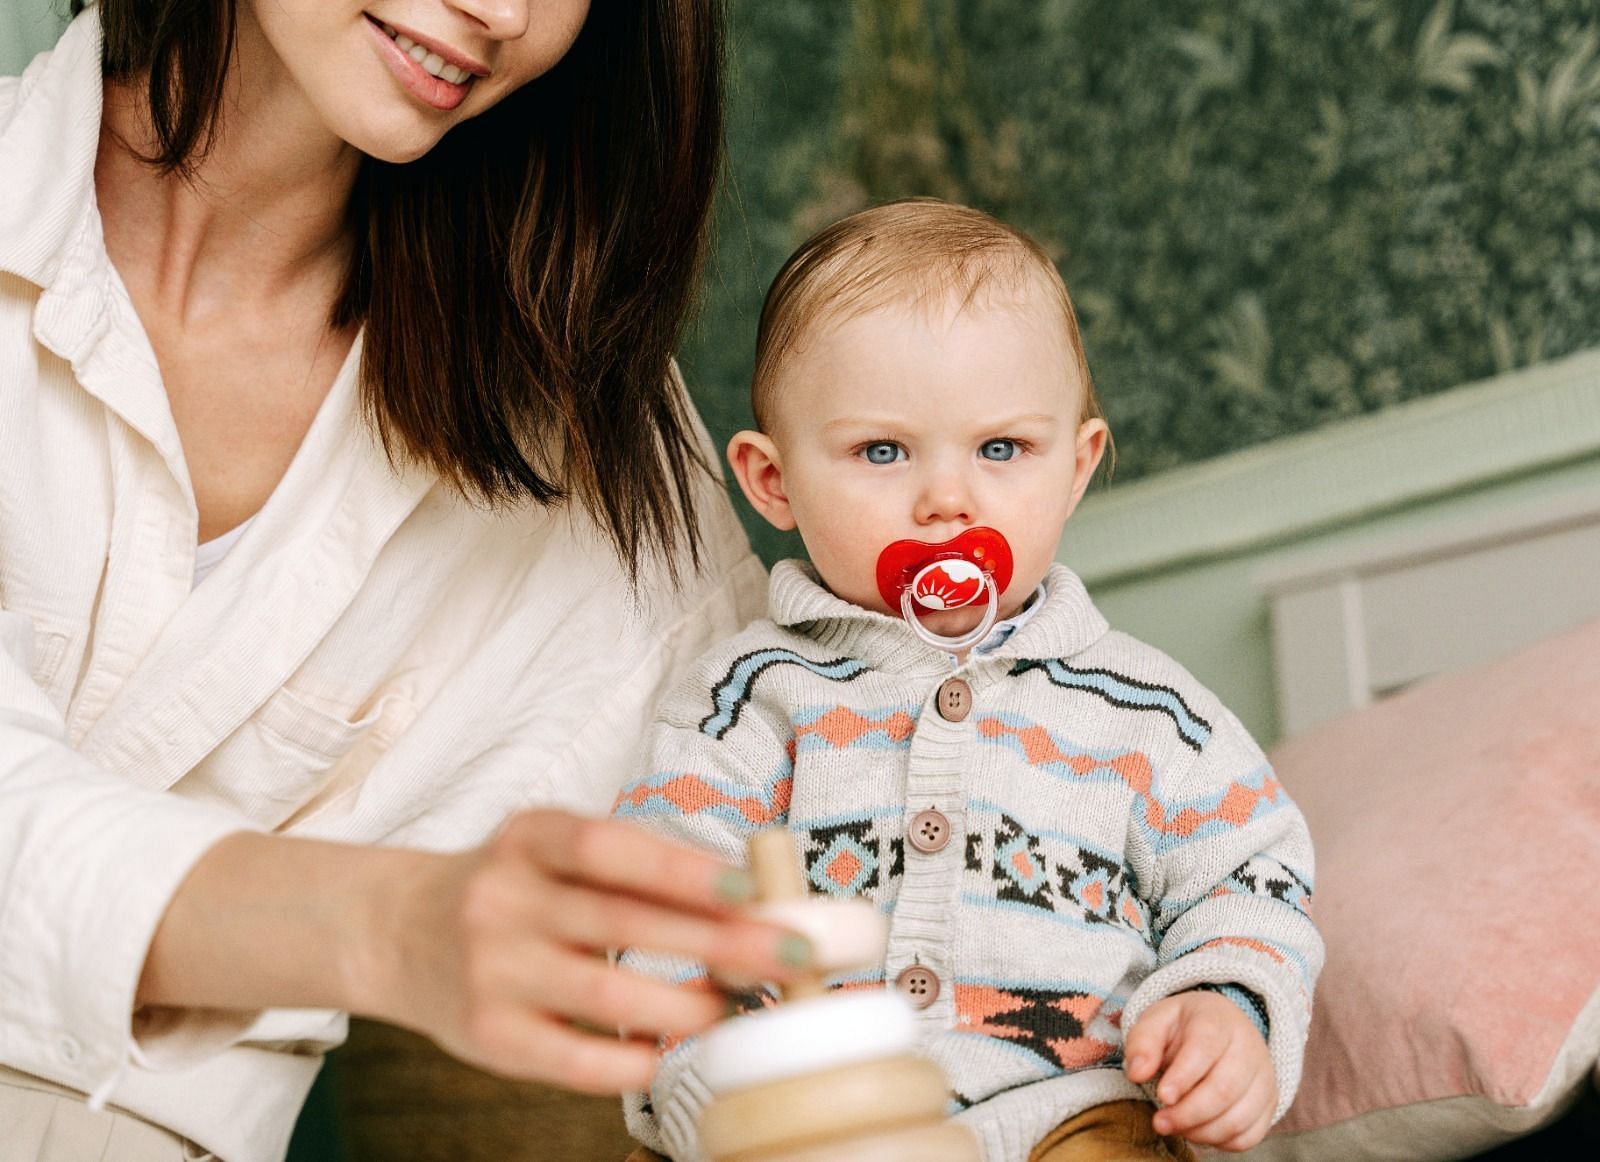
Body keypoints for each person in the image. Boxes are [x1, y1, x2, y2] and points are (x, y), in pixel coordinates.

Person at [0, 1, 827, 1159]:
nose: (501, 12)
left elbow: (817, 804)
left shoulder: (575, 426)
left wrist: (1169, 970)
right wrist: (385, 927)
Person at [612, 199, 1325, 1162]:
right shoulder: (745, 700)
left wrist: (1225, 1006)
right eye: (881, 450)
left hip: (1067, 1114)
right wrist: (710, 1084)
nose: (948, 499)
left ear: (1074, 470)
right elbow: (664, 906)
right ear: (772, 482)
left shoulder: (1152, 717)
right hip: (819, 1123)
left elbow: (1248, 881)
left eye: (1001, 450)